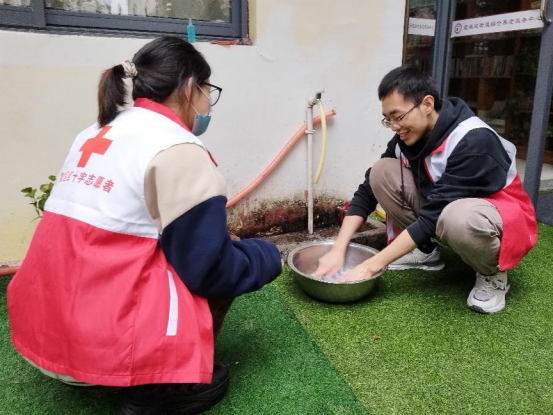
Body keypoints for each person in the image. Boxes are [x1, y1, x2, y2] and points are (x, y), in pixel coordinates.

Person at [7, 36, 283, 414]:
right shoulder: (177, 148)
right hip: (98, 351)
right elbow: (211, 270)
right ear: (190, 88)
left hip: (40, 334)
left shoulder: (97, 131)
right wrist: (267, 254)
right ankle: (163, 389)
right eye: (208, 91)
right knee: (223, 255)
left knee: (208, 242)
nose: (207, 104)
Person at [314, 65, 537, 314]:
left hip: (501, 217)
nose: (394, 126)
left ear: (427, 104)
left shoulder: (473, 140)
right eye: (388, 120)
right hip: (445, 209)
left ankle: (492, 273)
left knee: (458, 216)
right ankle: (425, 252)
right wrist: (339, 247)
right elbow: (367, 191)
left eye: (398, 116)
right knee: (381, 171)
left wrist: (371, 265)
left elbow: (433, 216)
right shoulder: (408, 137)